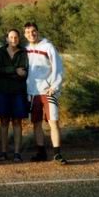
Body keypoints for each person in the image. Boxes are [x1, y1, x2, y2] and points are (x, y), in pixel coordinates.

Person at [24, 22, 67, 165]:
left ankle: (57, 154)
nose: (32, 34)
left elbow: (58, 67)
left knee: (53, 122)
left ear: (38, 32)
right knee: (36, 123)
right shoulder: (25, 49)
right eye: (28, 32)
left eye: (34, 31)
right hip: (32, 92)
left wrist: (55, 85)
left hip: (48, 91)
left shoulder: (48, 47)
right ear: (25, 34)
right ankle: (41, 152)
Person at [0, 29, 29, 162]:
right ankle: (3, 151)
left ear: (19, 39)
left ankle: (17, 153)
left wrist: (7, 72)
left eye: (16, 37)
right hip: (2, 91)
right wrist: (14, 70)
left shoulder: (23, 52)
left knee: (17, 122)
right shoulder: (0, 52)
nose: (14, 39)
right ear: (7, 39)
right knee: (3, 121)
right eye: (11, 37)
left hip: (18, 91)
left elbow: (24, 71)